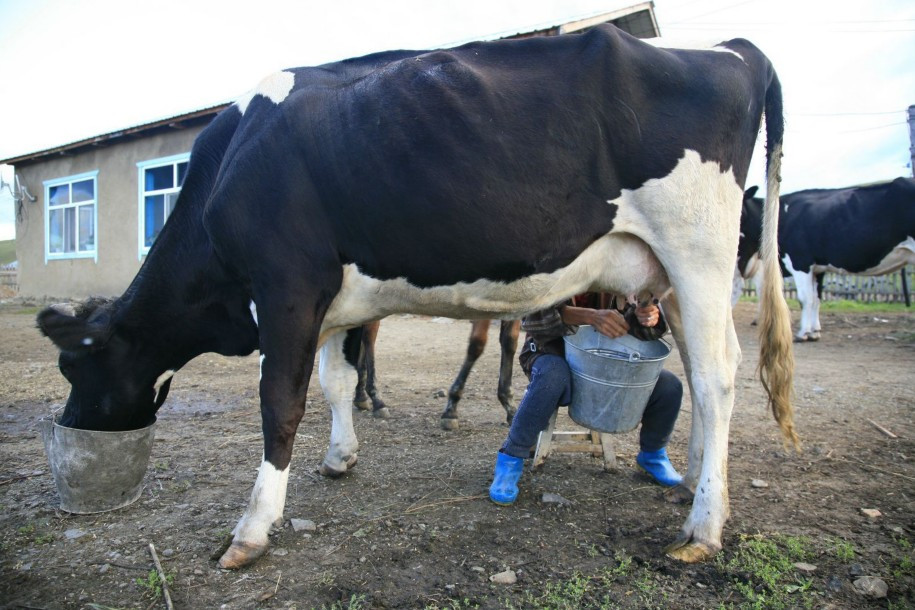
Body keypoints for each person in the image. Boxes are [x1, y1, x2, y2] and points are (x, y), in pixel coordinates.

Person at [489, 293, 683, 506]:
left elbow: (637, 331)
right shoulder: (557, 267)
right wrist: (590, 316)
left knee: (668, 386)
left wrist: (647, 318)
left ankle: (653, 455)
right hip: (552, 353)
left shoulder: (619, 278)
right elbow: (532, 320)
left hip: (602, 361)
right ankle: (511, 457)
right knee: (552, 376)